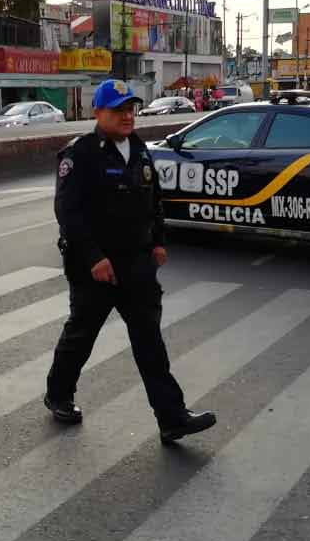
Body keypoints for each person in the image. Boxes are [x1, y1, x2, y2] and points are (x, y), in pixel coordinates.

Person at [44, 79, 215, 445]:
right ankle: (58, 394)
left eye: (130, 109)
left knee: (149, 341)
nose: (127, 116)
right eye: (118, 110)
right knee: (81, 335)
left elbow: (153, 200)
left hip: (137, 264)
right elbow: (68, 213)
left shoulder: (139, 149)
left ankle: (172, 418)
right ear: (98, 112)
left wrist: (158, 242)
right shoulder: (80, 153)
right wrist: (94, 257)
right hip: (96, 268)